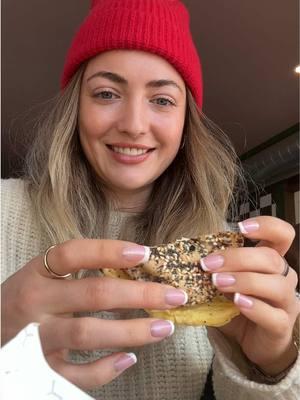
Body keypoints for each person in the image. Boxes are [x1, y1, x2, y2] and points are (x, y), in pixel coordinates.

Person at [1, 0, 299, 399]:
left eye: (161, 100)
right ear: (76, 108)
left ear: (186, 123)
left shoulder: (233, 261)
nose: (133, 125)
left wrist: (270, 366)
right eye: (106, 93)